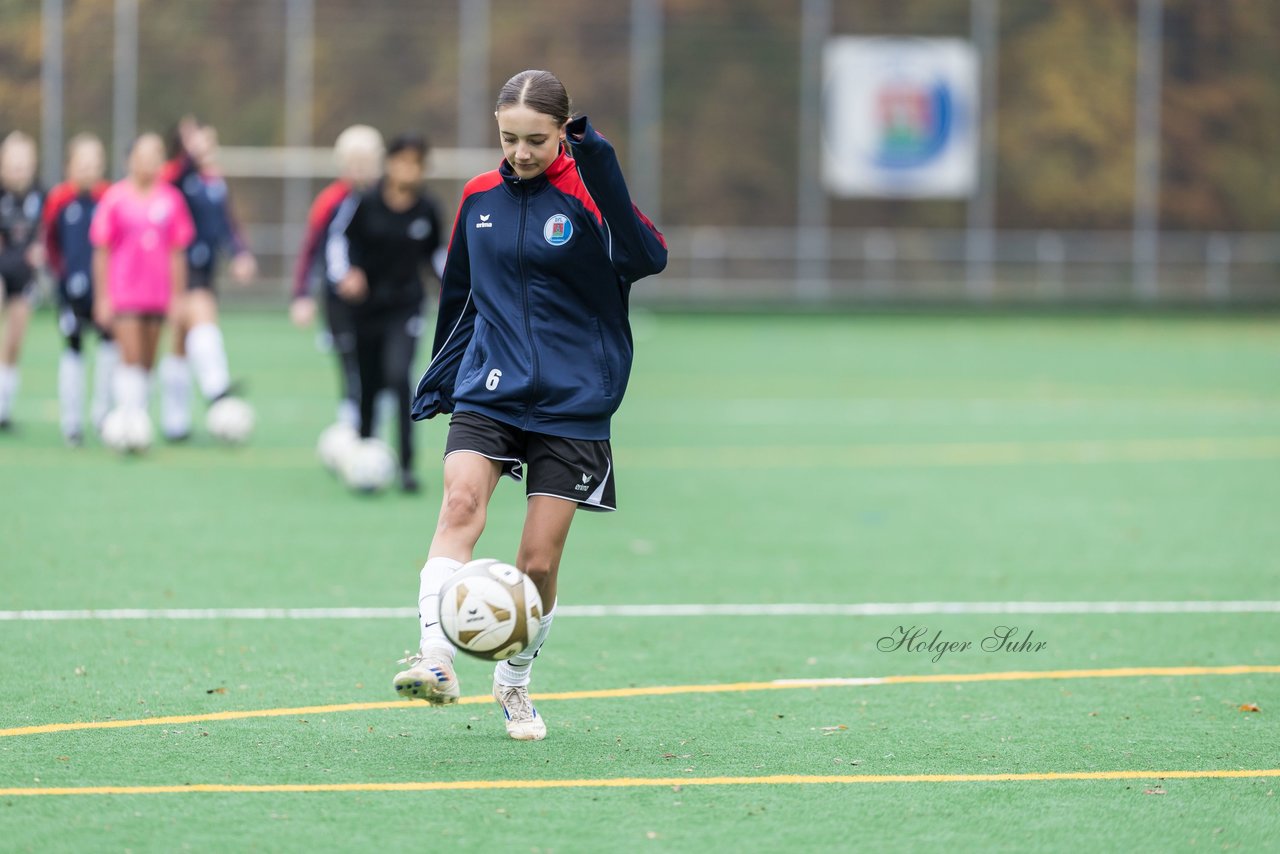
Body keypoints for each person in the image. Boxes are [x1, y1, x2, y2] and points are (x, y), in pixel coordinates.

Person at [392, 70, 667, 740]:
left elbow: (647, 255)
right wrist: (441, 375)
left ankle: (514, 682)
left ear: (563, 132)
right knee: (459, 505)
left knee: (538, 563)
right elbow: (459, 294)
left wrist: (597, 163)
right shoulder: (478, 196)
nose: (519, 152)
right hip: (490, 385)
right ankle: (435, 656)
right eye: (509, 138)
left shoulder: (588, 193)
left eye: (535, 140)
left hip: (574, 399)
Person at [329, 132, 444, 492]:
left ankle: (407, 465)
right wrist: (348, 273)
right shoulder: (367, 202)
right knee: (368, 385)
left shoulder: (427, 209)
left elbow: (437, 257)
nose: (408, 169)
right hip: (365, 309)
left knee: (399, 377)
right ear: (390, 163)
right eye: (402, 161)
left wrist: (452, 288)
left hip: (405, 308)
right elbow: (340, 242)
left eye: (416, 163)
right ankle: (363, 456)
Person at [158, 118, 256, 441]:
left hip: (207, 265)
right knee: (201, 317)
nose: (206, 149)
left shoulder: (214, 180)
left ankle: (175, 422)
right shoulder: (174, 176)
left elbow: (226, 223)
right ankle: (216, 387)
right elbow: (173, 182)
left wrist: (239, 253)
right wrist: (189, 154)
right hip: (179, 265)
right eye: (199, 142)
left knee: (181, 342)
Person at [90, 133, 194, 431]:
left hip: (157, 294)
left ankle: (140, 416)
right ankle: (126, 418)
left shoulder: (171, 199)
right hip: (124, 292)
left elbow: (177, 252)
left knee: (148, 361)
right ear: (129, 159)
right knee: (130, 357)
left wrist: (178, 297)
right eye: (143, 155)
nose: (149, 162)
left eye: (155, 155)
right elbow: (102, 250)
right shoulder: (115, 198)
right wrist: (103, 297)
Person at [289, 124, 385, 430]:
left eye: (365, 162)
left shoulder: (387, 200)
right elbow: (312, 249)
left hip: (380, 299)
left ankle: (373, 418)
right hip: (339, 300)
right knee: (348, 362)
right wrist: (302, 295)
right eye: (352, 162)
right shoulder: (330, 201)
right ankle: (350, 420)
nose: (359, 170)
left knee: (379, 364)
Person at [43, 133, 115, 445]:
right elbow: (50, 244)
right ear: (68, 166)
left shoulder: (110, 198)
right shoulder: (59, 200)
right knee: (73, 350)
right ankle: (72, 423)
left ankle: (103, 415)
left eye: (94, 163)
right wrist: (60, 279)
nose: (88, 169)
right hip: (70, 294)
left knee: (109, 348)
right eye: (81, 163)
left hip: (106, 293)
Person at [0, 131, 46, 430]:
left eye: (24, 161)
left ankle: (2, 410)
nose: (18, 167)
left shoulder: (41, 195)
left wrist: (42, 250)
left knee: (14, 342)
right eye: (12, 161)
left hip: (23, 277)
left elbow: (47, 234)